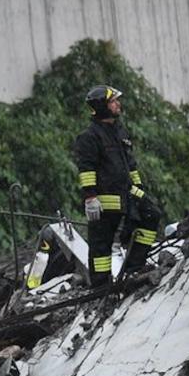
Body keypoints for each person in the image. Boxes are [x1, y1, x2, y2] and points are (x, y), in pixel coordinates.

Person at [73, 85, 160, 287]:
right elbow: (86, 170)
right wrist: (90, 198)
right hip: (103, 199)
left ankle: (133, 268)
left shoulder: (120, 132)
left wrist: (139, 188)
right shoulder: (89, 137)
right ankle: (101, 287)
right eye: (113, 101)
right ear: (102, 106)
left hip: (128, 193)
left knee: (152, 214)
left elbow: (131, 165)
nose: (117, 104)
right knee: (101, 245)